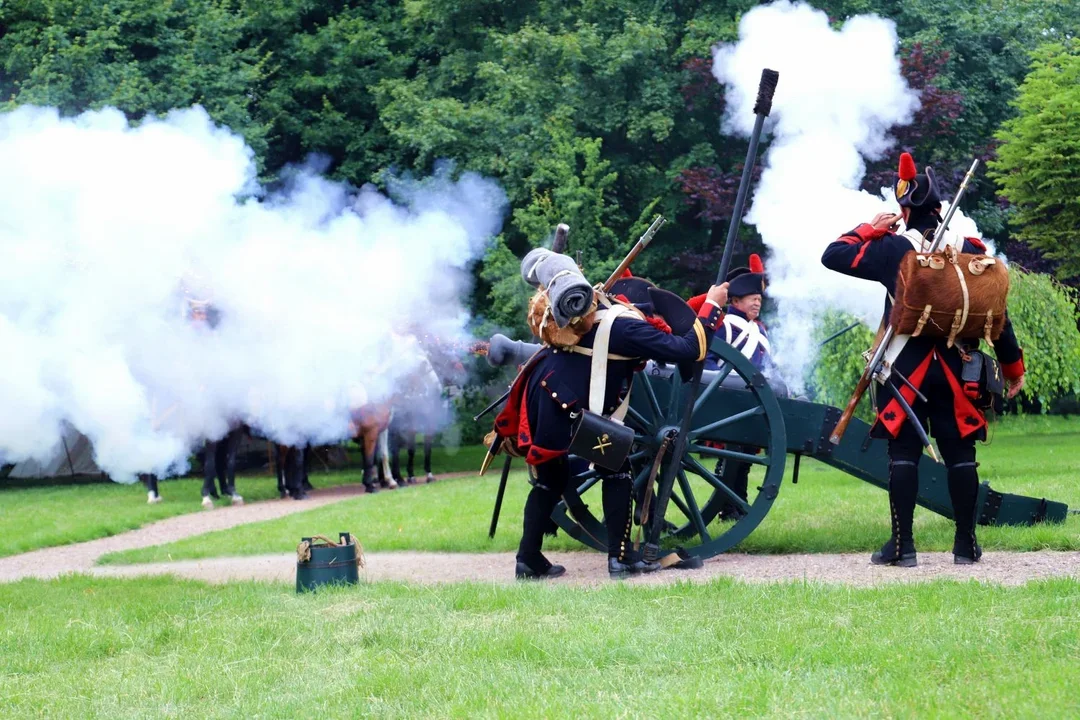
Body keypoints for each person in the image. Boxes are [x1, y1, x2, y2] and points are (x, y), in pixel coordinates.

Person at [821, 152, 1026, 566]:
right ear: (939, 207)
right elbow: (995, 315)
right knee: (961, 456)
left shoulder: (891, 248)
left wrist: (869, 229)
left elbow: (834, 254)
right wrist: (1011, 366)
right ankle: (966, 545)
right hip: (958, 369)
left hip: (904, 369)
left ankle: (903, 548)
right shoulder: (970, 249)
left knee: (903, 455)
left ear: (904, 210)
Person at [491, 247, 728, 580]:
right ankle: (621, 560)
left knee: (551, 480)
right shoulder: (627, 327)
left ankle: (527, 559)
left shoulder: (592, 312)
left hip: (543, 395)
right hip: (568, 404)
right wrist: (713, 305)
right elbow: (690, 348)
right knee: (617, 469)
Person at [688, 254, 772, 521]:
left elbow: (768, 366)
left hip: (752, 402)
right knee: (731, 456)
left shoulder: (761, 330)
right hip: (726, 400)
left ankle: (737, 504)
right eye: (751, 298)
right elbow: (709, 363)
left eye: (759, 298)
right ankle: (728, 505)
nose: (757, 302)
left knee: (746, 457)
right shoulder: (723, 324)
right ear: (735, 301)